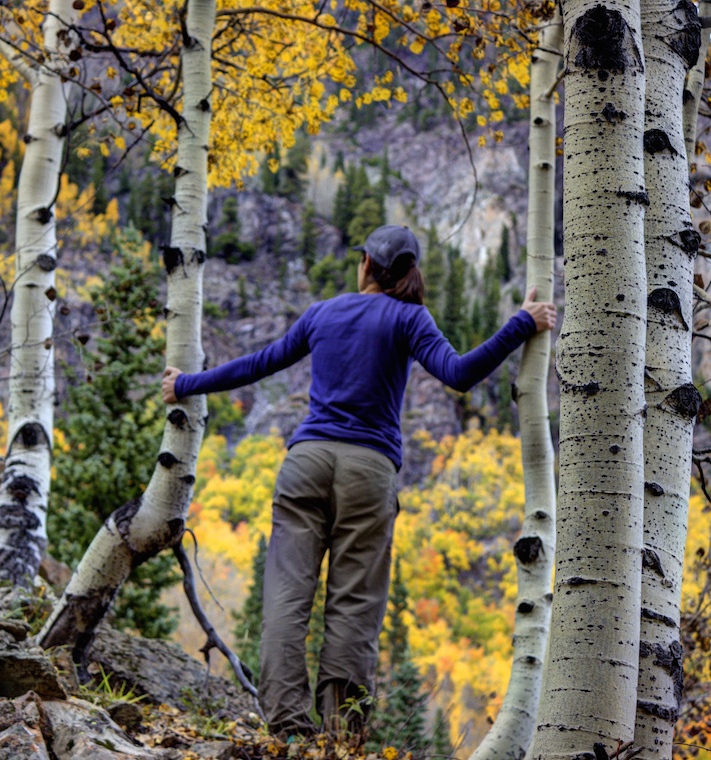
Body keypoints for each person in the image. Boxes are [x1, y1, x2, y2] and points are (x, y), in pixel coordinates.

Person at [162, 224, 556, 739]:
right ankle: (340, 736)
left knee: (285, 597)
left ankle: (286, 728)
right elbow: (459, 374)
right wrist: (521, 325)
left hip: (305, 461)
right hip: (369, 473)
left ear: (366, 264)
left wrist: (185, 384)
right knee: (354, 606)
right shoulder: (410, 318)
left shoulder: (324, 312)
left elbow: (259, 364)